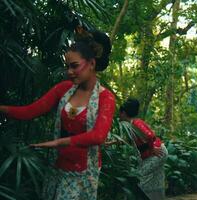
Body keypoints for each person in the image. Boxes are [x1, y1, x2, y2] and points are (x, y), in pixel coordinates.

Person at [0, 28, 115, 200]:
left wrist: (60, 142)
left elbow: (98, 136)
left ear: (92, 63)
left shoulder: (106, 98)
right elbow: (30, 111)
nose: (69, 72)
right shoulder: (64, 89)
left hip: (83, 173)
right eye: (67, 66)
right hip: (57, 167)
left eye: (74, 66)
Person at [118, 98, 168, 200]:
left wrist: (152, 149)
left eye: (120, 113)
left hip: (157, 153)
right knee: (155, 181)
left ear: (123, 113)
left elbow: (149, 136)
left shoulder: (135, 123)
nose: (119, 116)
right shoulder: (129, 126)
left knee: (138, 177)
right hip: (156, 153)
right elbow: (128, 141)